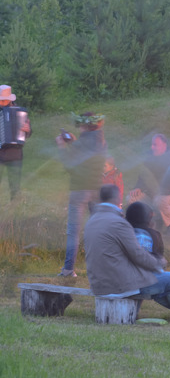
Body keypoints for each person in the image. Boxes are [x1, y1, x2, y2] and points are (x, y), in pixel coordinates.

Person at [84, 184, 170, 320]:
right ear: (117, 197)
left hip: (98, 282)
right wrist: (158, 263)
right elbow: (138, 254)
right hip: (119, 284)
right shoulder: (118, 223)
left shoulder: (92, 220)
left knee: (162, 283)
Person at [55, 112, 107, 277]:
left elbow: (70, 166)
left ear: (84, 125)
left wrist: (62, 146)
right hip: (97, 189)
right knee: (99, 230)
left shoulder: (81, 143)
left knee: (74, 232)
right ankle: (102, 269)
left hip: (79, 191)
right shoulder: (101, 141)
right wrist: (75, 143)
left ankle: (69, 270)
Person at [129, 134, 170, 234]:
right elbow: (143, 178)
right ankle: (138, 225)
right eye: (152, 144)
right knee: (131, 198)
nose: (152, 147)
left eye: (155, 145)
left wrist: (161, 191)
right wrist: (138, 187)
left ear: (164, 145)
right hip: (152, 197)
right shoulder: (149, 160)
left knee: (160, 200)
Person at [0, 85, 32, 201]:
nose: (1, 102)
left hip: (15, 155)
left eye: (3, 100)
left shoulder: (20, 112)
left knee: (15, 188)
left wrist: (27, 129)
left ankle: (14, 214)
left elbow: (29, 131)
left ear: (9, 99)